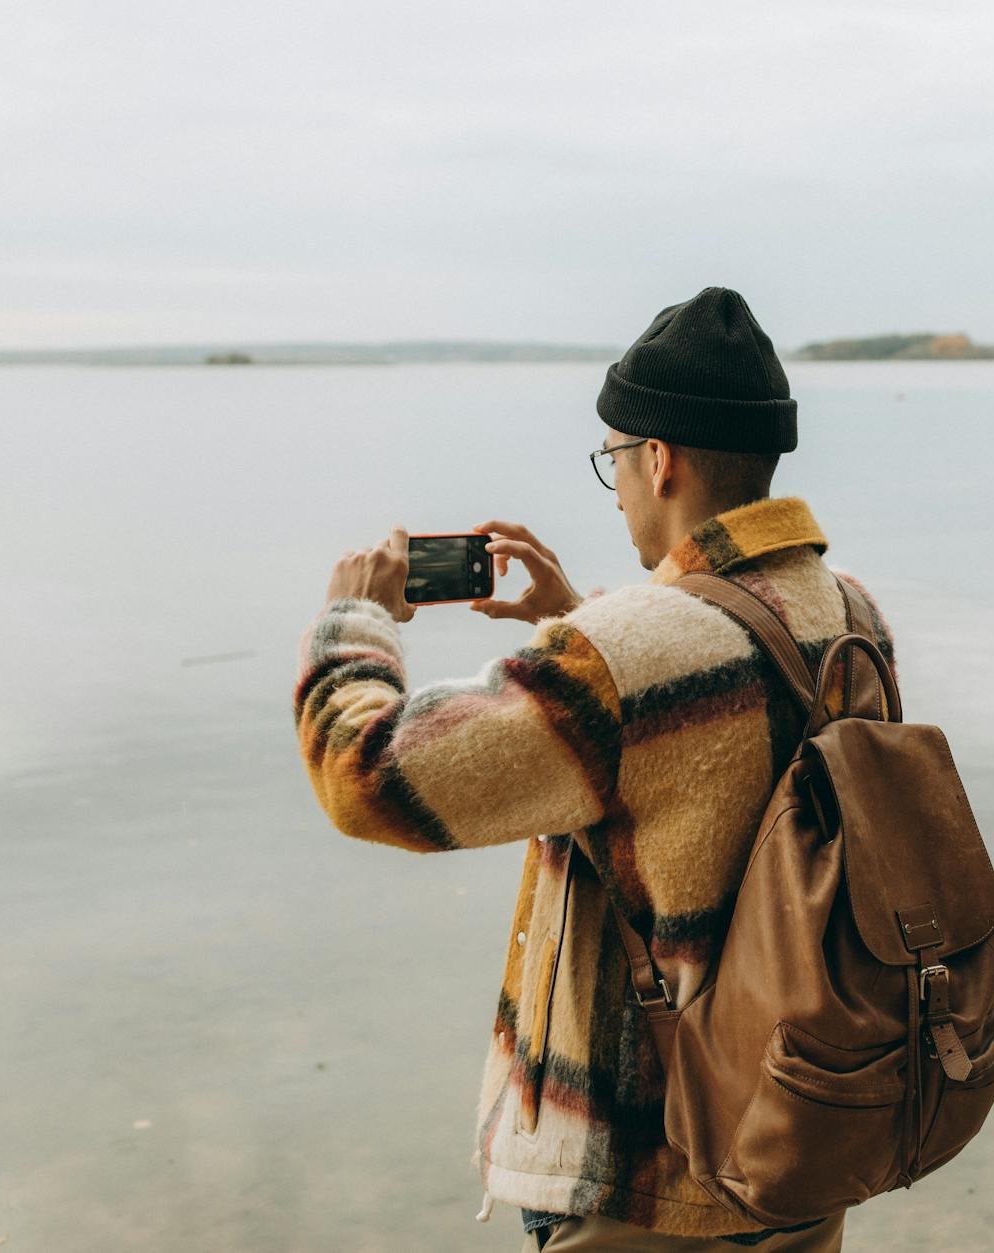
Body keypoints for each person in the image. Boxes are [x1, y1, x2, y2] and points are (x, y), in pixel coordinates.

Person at [295, 286, 897, 1251]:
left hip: (650, 1181)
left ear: (657, 459)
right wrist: (576, 615)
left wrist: (350, 621)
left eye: (612, 456)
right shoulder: (853, 615)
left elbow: (363, 775)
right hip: (804, 1140)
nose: (614, 483)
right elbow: (718, 704)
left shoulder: (617, 662)